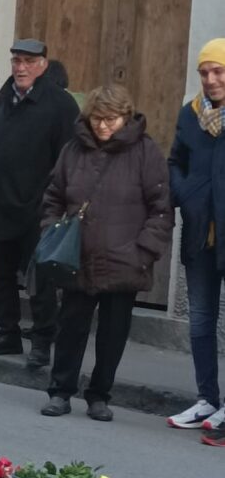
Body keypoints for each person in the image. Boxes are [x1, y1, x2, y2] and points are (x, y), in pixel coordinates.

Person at [40, 85, 171, 421]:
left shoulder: (145, 152)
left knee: (113, 336)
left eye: (110, 119)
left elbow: (161, 209)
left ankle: (99, 395)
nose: (102, 126)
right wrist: (52, 229)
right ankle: (60, 391)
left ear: (125, 118)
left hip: (124, 261)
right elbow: (54, 196)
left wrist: (143, 252)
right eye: (97, 118)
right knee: (70, 328)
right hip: (77, 258)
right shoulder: (74, 150)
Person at [0, 38, 79, 369]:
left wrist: (53, 201)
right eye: (16, 61)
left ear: (43, 65)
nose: (21, 67)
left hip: (37, 208)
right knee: (0, 275)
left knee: (40, 279)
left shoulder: (59, 105)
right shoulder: (3, 99)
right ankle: (8, 333)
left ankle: (44, 339)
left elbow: (68, 157)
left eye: (28, 62)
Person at [167, 39, 225, 445]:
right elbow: (175, 161)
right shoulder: (190, 116)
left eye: (218, 71)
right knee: (201, 320)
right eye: (205, 72)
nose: (210, 79)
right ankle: (207, 398)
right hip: (199, 233)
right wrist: (185, 193)